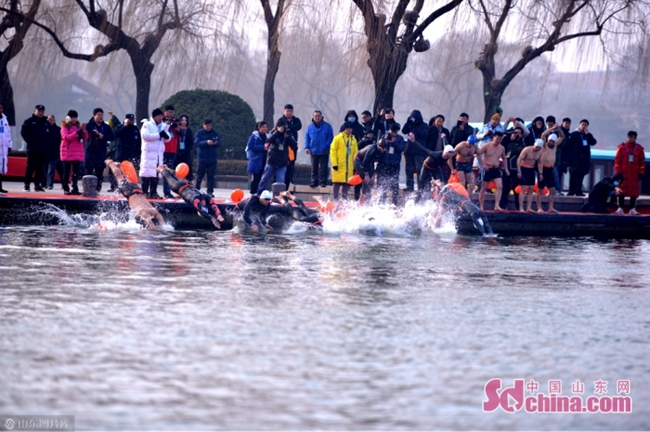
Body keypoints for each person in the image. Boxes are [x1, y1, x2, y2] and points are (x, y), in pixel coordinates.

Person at [157, 165, 225, 228]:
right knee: (176, 174)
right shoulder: (205, 197)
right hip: (188, 184)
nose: (204, 204)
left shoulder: (195, 200)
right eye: (205, 205)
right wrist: (219, 215)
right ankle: (167, 168)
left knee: (166, 175)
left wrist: (212, 219)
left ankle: (161, 169)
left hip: (178, 187)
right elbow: (213, 204)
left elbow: (201, 210)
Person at [105, 160, 165, 229]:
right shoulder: (152, 213)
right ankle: (110, 163)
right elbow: (158, 228)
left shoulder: (153, 212)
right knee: (120, 177)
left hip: (137, 192)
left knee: (121, 177)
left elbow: (154, 227)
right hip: (133, 192)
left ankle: (115, 166)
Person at [257, 118, 297, 193]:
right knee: (264, 178)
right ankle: (259, 193)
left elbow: (294, 145)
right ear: (277, 126)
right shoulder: (273, 132)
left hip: (282, 162)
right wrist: (278, 132)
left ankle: (278, 197)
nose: (282, 128)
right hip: (271, 161)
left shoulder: (287, 134)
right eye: (281, 126)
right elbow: (269, 139)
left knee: (280, 182)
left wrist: (288, 137)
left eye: (284, 126)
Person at [140, 108, 171, 199]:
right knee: (146, 173)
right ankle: (145, 192)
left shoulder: (162, 125)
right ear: (154, 117)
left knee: (157, 173)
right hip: (149, 153)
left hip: (158, 154)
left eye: (161, 116)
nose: (160, 118)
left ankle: (154, 192)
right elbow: (145, 136)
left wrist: (165, 136)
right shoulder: (147, 124)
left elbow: (168, 138)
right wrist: (158, 135)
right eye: (158, 116)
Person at [614, 131, 645, 215]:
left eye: (633, 137)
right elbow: (617, 161)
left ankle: (632, 209)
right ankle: (620, 208)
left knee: (633, 191)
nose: (631, 139)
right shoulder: (621, 148)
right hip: (623, 174)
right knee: (621, 190)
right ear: (627, 138)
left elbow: (642, 163)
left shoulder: (639, 149)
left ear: (635, 138)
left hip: (634, 174)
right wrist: (618, 173)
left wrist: (641, 173)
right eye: (629, 137)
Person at [477, 131, 509, 211]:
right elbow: (478, 154)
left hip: (496, 169)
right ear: (493, 137)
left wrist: (506, 169)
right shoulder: (487, 146)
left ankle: (497, 205)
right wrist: (483, 164)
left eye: (500, 139)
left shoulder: (502, 148)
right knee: (484, 188)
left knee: (500, 186)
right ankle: (481, 206)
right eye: (497, 139)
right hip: (487, 168)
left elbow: (504, 158)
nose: (498, 141)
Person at [85, 108, 115, 192]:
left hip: (101, 151)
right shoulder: (89, 125)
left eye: (102, 115)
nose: (100, 117)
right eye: (98, 115)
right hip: (90, 151)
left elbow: (112, 137)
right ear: (94, 116)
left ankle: (98, 189)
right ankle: (88, 189)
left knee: (99, 171)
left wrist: (104, 137)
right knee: (89, 171)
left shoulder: (106, 127)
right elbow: (85, 136)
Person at [20, 104, 50, 192]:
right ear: (34, 111)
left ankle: (37, 185)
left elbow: (49, 135)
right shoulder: (29, 121)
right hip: (33, 149)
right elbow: (23, 132)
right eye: (39, 111)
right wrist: (31, 142)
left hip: (42, 150)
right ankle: (26, 185)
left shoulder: (46, 122)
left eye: (42, 111)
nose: (40, 113)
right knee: (30, 167)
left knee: (40, 168)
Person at [376, 123, 406, 205]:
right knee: (384, 183)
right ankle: (382, 202)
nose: (393, 134)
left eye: (395, 132)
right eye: (392, 132)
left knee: (395, 184)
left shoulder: (400, 138)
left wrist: (393, 142)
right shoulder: (383, 136)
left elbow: (401, 149)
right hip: (385, 163)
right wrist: (386, 141)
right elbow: (379, 146)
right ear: (389, 130)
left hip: (395, 163)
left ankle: (394, 203)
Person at [536, 129, 564, 213]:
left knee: (552, 190)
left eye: (553, 141)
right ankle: (539, 207)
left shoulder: (555, 145)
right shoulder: (544, 145)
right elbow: (543, 134)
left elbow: (562, 136)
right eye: (550, 141)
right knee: (540, 189)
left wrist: (559, 129)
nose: (551, 142)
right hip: (542, 169)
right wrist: (551, 129)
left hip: (550, 169)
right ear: (548, 140)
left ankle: (550, 207)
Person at [60, 110, 87, 195]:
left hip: (77, 153)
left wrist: (83, 132)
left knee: (76, 173)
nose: (74, 119)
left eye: (75, 117)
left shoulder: (78, 126)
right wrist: (76, 133)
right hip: (67, 152)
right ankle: (66, 188)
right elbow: (66, 137)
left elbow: (86, 137)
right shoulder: (65, 127)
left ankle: (75, 188)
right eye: (73, 117)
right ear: (68, 118)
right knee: (66, 172)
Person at [567, 119, 597, 196]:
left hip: (584, 160)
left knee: (581, 175)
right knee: (573, 176)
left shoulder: (587, 135)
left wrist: (588, 134)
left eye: (586, 125)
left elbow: (593, 142)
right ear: (579, 125)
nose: (584, 126)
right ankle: (571, 191)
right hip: (575, 159)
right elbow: (569, 146)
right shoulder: (574, 134)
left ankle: (579, 191)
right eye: (582, 124)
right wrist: (569, 158)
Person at [499, 125, 526, 210]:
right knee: (505, 188)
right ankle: (503, 205)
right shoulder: (507, 141)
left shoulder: (522, 143)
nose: (516, 134)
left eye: (518, 133)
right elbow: (501, 145)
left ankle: (518, 207)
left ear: (521, 134)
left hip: (516, 169)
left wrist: (512, 141)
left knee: (516, 189)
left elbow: (516, 150)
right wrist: (509, 139)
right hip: (506, 168)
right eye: (515, 133)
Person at [304, 110, 333, 188]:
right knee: (314, 168)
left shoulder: (327, 126)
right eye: (315, 116)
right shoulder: (309, 127)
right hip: (313, 150)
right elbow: (307, 138)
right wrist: (306, 147)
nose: (317, 117)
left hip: (324, 150)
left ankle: (323, 182)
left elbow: (330, 137)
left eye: (318, 116)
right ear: (313, 117)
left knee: (324, 168)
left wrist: (326, 145)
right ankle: (314, 182)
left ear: (321, 116)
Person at [330, 121, 358, 200]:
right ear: (344, 129)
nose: (349, 130)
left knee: (347, 183)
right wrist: (334, 163)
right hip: (339, 165)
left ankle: (344, 200)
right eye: (348, 128)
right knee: (337, 183)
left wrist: (355, 166)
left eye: (351, 128)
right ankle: (335, 199)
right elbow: (333, 151)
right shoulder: (337, 138)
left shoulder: (353, 140)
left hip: (349, 166)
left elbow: (356, 154)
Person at [402, 110, 429, 191]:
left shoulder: (424, 125)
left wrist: (416, 127)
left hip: (419, 151)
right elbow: (403, 131)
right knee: (409, 169)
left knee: (419, 169)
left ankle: (420, 186)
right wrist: (408, 123)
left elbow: (423, 134)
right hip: (409, 150)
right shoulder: (410, 125)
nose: (414, 120)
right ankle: (409, 186)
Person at [195, 118, 222, 196]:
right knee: (199, 175)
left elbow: (219, 143)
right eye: (207, 126)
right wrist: (206, 142)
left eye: (210, 125)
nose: (209, 127)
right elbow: (197, 143)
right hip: (202, 158)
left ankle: (210, 191)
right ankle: (197, 189)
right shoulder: (199, 133)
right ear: (204, 125)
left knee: (211, 176)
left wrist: (216, 143)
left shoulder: (214, 133)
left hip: (212, 158)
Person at [517, 139, 544, 212]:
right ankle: (521, 207)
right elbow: (519, 159)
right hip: (523, 169)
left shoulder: (540, 152)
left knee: (531, 188)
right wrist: (519, 171)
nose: (537, 149)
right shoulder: (527, 149)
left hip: (531, 170)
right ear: (534, 144)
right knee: (523, 187)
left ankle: (529, 207)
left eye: (539, 148)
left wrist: (540, 173)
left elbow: (540, 163)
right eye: (536, 147)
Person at [279, 104, 302, 190]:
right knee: (282, 165)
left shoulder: (296, 120)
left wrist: (288, 127)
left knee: (291, 165)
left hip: (292, 147)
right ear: (284, 111)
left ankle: (289, 180)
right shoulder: (281, 120)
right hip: (283, 147)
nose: (289, 113)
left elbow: (299, 126)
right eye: (287, 111)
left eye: (290, 111)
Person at [246, 121, 268, 194]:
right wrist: (262, 147)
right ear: (259, 128)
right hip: (256, 160)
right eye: (263, 127)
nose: (265, 129)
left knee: (262, 178)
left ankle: (260, 193)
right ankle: (253, 193)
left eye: (266, 127)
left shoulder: (267, 136)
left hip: (264, 159)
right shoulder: (254, 136)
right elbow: (250, 146)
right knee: (255, 178)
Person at [162, 105, 179, 198]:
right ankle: (153, 191)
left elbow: (180, 134)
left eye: (172, 112)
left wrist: (177, 127)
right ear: (165, 112)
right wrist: (166, 124)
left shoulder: (174, 122)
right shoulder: (161, 121)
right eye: (169, 112)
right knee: (163, 171)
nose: (171, 114)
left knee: (169, 172)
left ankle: (167, 191)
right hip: (163, 150)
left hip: (173, 150)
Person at [45, 114, 63, 190]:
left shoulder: (59, 130)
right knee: (46, 169)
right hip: (46, 152)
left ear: (54, 120)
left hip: (56, 152)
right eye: (48, 120)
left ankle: (51, 184)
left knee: (56, 169)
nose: (49, 121)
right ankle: (47, 184)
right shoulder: (45, 129)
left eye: (51, 120)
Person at [175, 114, 194, 181]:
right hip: (177, 152)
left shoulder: (188, 131)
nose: (184, 122)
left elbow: (191, 142)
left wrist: (187, 150)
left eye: (185, 120)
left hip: (186, 153)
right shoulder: (176, 129)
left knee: (188, 168)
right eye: (182, 120)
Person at [0, 104, 12, 193]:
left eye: (1, 108)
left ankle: (0, 186)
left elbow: (8, 133)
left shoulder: (4, 119)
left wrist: (9, 145)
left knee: (1, 168)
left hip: (3, 147)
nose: (1, 109)